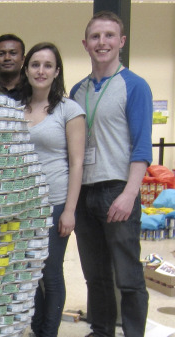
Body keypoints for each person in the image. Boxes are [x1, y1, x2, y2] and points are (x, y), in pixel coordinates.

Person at [70, 11, 152, 337]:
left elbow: (142, 147)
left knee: (128, 275)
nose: (102, 42)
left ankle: (132, 332)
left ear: (121, 41)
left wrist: (130, 194)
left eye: (109, 36)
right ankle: (101, 330)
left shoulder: (134, 86)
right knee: (95, 275)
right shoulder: (77, 90)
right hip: (85, 192)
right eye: (95, 37)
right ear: (85, 44)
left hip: (117, 190)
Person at [20, 42, 86, 337]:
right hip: (23, 205)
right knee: (28, 272)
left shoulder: (69, 109)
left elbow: (77, 161)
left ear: (57, 71)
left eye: (48, 65)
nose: (41, 70)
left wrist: (70, 210)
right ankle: (36, 329)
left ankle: (48, 333)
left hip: (56, 202)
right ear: (27, 69)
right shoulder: (18, 108)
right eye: (35, 64)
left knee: (51, 273)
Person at [0, 34, 25, 100]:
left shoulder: (32, 91)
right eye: (1, 54)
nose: (7, 58)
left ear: (23, 59)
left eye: (13, 53)